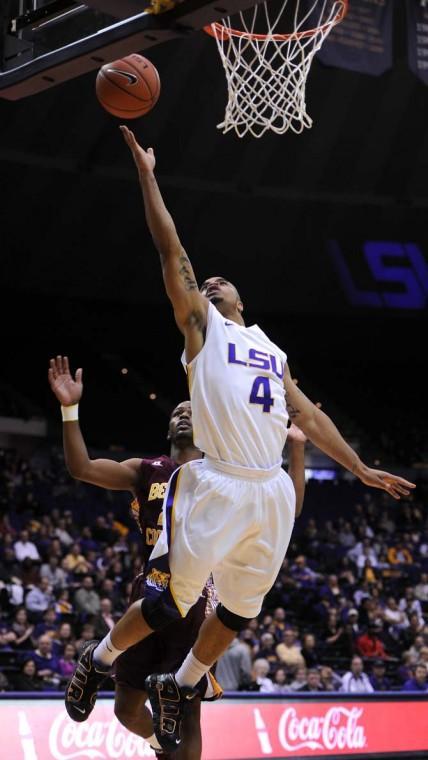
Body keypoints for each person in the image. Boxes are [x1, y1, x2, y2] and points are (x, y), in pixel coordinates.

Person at [66, 125, 414, 754]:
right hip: (217, 479)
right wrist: (147, 175)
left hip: (271, 490)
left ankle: (182, 682)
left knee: (241, 610)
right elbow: (170, 249)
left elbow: (307, 416)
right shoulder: (202, 330)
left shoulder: (272, 351)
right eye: (208, 281)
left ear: (244, 298)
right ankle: (97, 658)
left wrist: (359, 467)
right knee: (170, 601)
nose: (213, 282)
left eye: (223, 281)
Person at [49, 356, 308, 759]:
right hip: (150, 593)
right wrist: (70, 408)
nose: (184, 414)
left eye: (192, 410)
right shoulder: (148, 469)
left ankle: (167, 738)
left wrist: (296, 448)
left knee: (188, 712)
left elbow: (286, 506)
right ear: (168, 427)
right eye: (177, 412)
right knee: (125, 710)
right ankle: (159, 743)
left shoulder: (227, 473)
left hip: (201, 600)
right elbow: (81, 467)